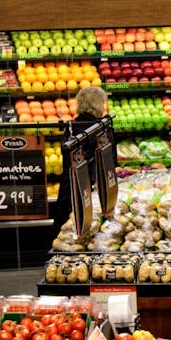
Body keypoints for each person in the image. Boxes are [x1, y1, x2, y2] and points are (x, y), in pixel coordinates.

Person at [49, 84, 107, 233]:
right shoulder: (102, 129)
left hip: (70, 189)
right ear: (97, 105)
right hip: (93, 190)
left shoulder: (70, 128)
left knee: (67, 231)